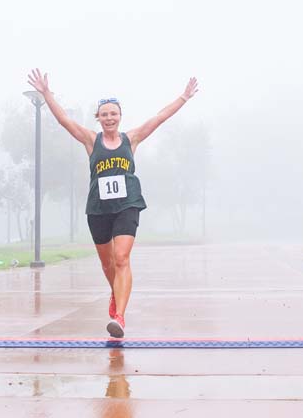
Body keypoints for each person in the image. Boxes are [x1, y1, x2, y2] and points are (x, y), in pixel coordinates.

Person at [26, 69, 198, 338]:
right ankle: (115, 294)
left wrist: (184, 97)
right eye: (104, 114)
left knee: (121, 258)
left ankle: (119, 316)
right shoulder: (90, 140)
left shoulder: (132, 138)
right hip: (98, 209)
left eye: (113, 114)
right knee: (108, 266)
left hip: (127, 205)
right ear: (99, 118)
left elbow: (159, 118)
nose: (109, 118)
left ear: (120, 116)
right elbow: (64, 121)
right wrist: (47, 94)